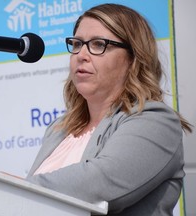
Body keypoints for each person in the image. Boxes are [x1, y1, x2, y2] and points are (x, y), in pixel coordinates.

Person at [25, 3, 192, 216]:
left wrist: (17, 188)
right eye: (77, 44)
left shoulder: (156, 121)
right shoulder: (59, 128)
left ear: (133, 58)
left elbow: (98, 185)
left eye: (98, 44)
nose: (81, 54)